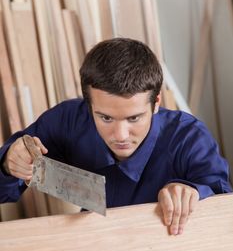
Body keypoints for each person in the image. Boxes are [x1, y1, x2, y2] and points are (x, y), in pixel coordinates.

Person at [0, 38, 232, 235]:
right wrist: (8, 164)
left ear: (156, 103)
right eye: (106, 118)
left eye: (134, 118)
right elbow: (4, 188)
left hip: (168, 246)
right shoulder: (67, 121)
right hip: (97, 239)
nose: (121, 136)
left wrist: (193, 191)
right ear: (88, 104)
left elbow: (223, 205)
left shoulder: (188, 136)